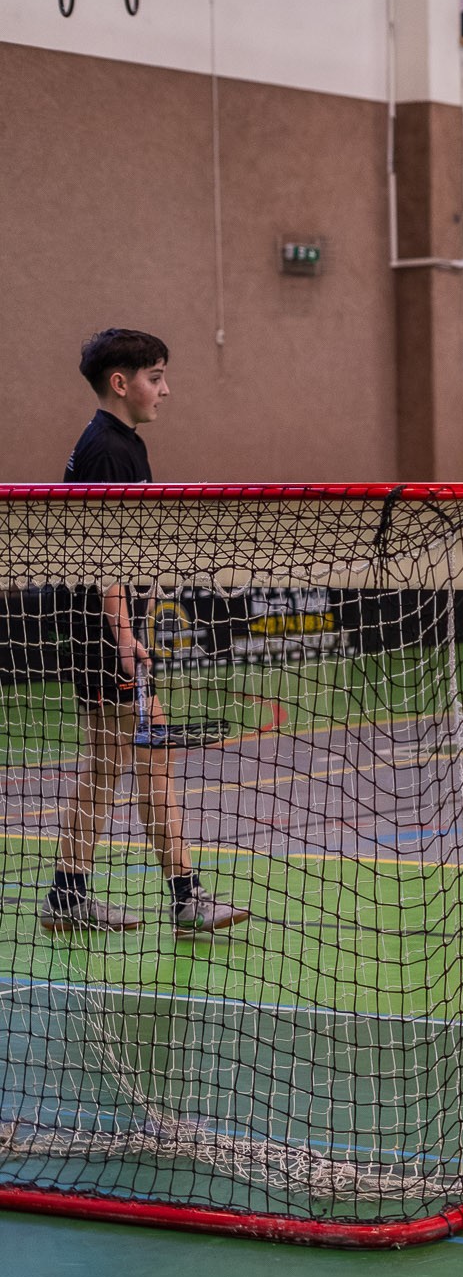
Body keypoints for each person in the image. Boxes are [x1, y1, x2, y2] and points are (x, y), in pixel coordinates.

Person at [49, 329, 247, 934]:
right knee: (134, 764)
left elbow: (126, 547)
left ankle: (72, 895)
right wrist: (125, 636)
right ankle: (182, 899)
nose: (166, 389)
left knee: (113, 766)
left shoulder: (119, 444)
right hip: (106, 640)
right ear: (121, 383)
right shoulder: (108, 450)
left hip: (110, 635)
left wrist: (147, 595)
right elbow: (102, 559)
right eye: (155, 378)